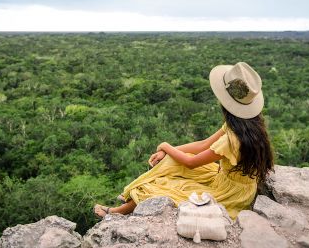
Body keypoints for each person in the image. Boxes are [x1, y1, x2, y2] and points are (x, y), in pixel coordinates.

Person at [94, 62, 274, 220]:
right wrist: (167, 151)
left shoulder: (231, 139)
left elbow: (191, 163)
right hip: (230, 180)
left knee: (163, 188)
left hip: (229, 192)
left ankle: (119, 210)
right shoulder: (247, 125)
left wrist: (164, 145)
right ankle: (131, 197)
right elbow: (203, 145)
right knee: (171, 160)